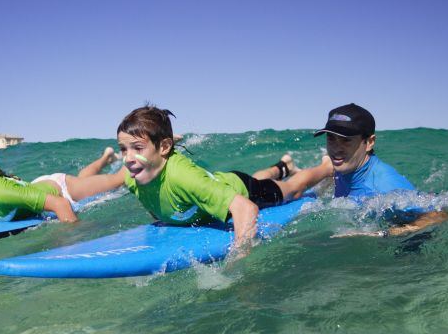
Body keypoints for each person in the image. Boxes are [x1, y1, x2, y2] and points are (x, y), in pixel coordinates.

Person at [117, 105, 331, 255]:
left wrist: (238, 258)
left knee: (292, 189)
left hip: (245, 191)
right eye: (123, 149)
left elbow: (247, 209)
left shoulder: (184, 178)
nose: (128, 159)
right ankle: (283, 167)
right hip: (223, 183)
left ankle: (326, 167)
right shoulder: (133, 176)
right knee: (256, 179)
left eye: (137, 148)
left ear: (164, 147)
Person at [280, 102, 448, 236]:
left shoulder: (384, 185)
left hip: (408, 248)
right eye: (331, 139)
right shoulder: (345, 165)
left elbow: (439, 215)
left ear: (369, 142)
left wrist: (381, 233)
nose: (336, 149)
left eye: (346, 140)